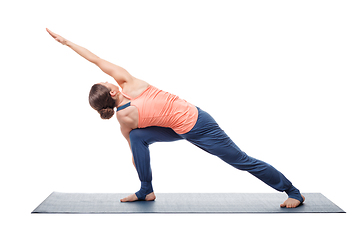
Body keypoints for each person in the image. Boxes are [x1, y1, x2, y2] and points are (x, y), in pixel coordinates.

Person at [46, 28, 305, 208]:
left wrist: (67, 43)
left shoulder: (123, 118)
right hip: (182, 128)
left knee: (240, 161)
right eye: (104, 81)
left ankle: (292, 191)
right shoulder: (128, 83)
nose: (105, 77)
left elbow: (133, 152)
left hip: (200, 124)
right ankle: (146, 191)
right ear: (113, 92)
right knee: (138, 138)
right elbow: (97, 59)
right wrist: (66, 42)